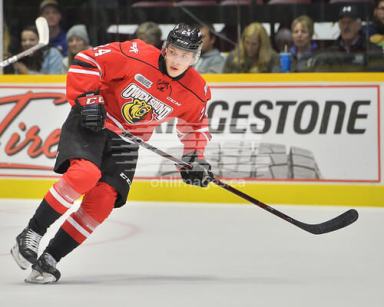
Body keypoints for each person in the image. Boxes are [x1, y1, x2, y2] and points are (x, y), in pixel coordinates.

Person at [10, 23, 213, 284]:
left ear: (195, 57)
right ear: (165, 49)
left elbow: (196, 126)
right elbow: (87, 61)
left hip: (127, 141)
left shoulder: (196, 90)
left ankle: (50, 259)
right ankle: (32, 232)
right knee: (85, 174)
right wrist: (88, 99)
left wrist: (194, 158)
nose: (177, 60)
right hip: (95, 121)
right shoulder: (135, 53)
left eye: (186, 56)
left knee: (104, 199)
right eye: (174, 52)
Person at [311, 4, 384, 72]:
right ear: (339, 25)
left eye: (349, 22)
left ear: (358, 25)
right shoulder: (328, 54)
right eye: (343, 22)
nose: (346, 26)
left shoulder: (373, 51)